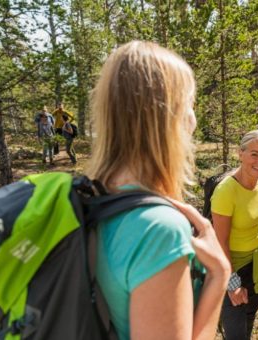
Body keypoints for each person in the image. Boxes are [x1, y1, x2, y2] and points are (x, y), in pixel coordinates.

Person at [87, 41, 231, 340]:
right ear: (170, 116)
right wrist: (219, 276)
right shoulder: (157, 229)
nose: (193, 117)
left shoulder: (90, 198)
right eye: (190, 103)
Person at [211, 130, 258, 340]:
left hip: (257, 263)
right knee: (235, 333)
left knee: (249, 318)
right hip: (233, 267)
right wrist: (232, 285)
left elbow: (256, 217)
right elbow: (219, 242)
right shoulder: (226, 191)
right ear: (240, 154)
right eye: (254, 154)